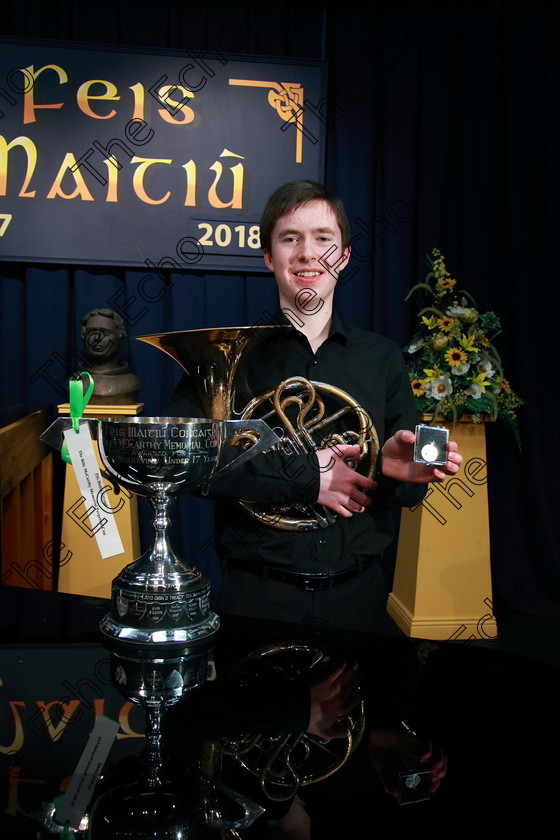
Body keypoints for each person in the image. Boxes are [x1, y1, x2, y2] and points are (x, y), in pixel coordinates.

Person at [166, 180, 462, 635]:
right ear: (269, 256)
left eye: (323, 238)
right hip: (255, 599)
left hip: (359, 599)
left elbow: (410, 489)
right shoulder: (226, 354)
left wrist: (398, 470)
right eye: (291, 238)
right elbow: (184, 460)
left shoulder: (382, 357)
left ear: (342, 257)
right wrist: (307, 478)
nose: (307, 254)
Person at [80, 308, 142, 403]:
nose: (97, 338)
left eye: (105, 333)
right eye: (91, 332)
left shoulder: (131, 384)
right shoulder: (75, 383)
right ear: (84, 336)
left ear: (120, 336)